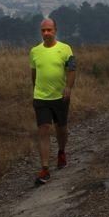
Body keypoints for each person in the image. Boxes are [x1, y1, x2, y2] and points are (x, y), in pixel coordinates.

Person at [29, 17, 76, 186]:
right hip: (41, 98)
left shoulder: (65, 49)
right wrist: (35, 91)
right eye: (43, 30)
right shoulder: (35, 51)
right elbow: (33, 73)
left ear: (55, 30)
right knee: (43, 129)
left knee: (61, 129)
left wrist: (68, 88)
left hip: (60, 97)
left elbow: (71, 70)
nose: (46, 33)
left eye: (49, 30)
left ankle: (61, 152)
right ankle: (45, 168)